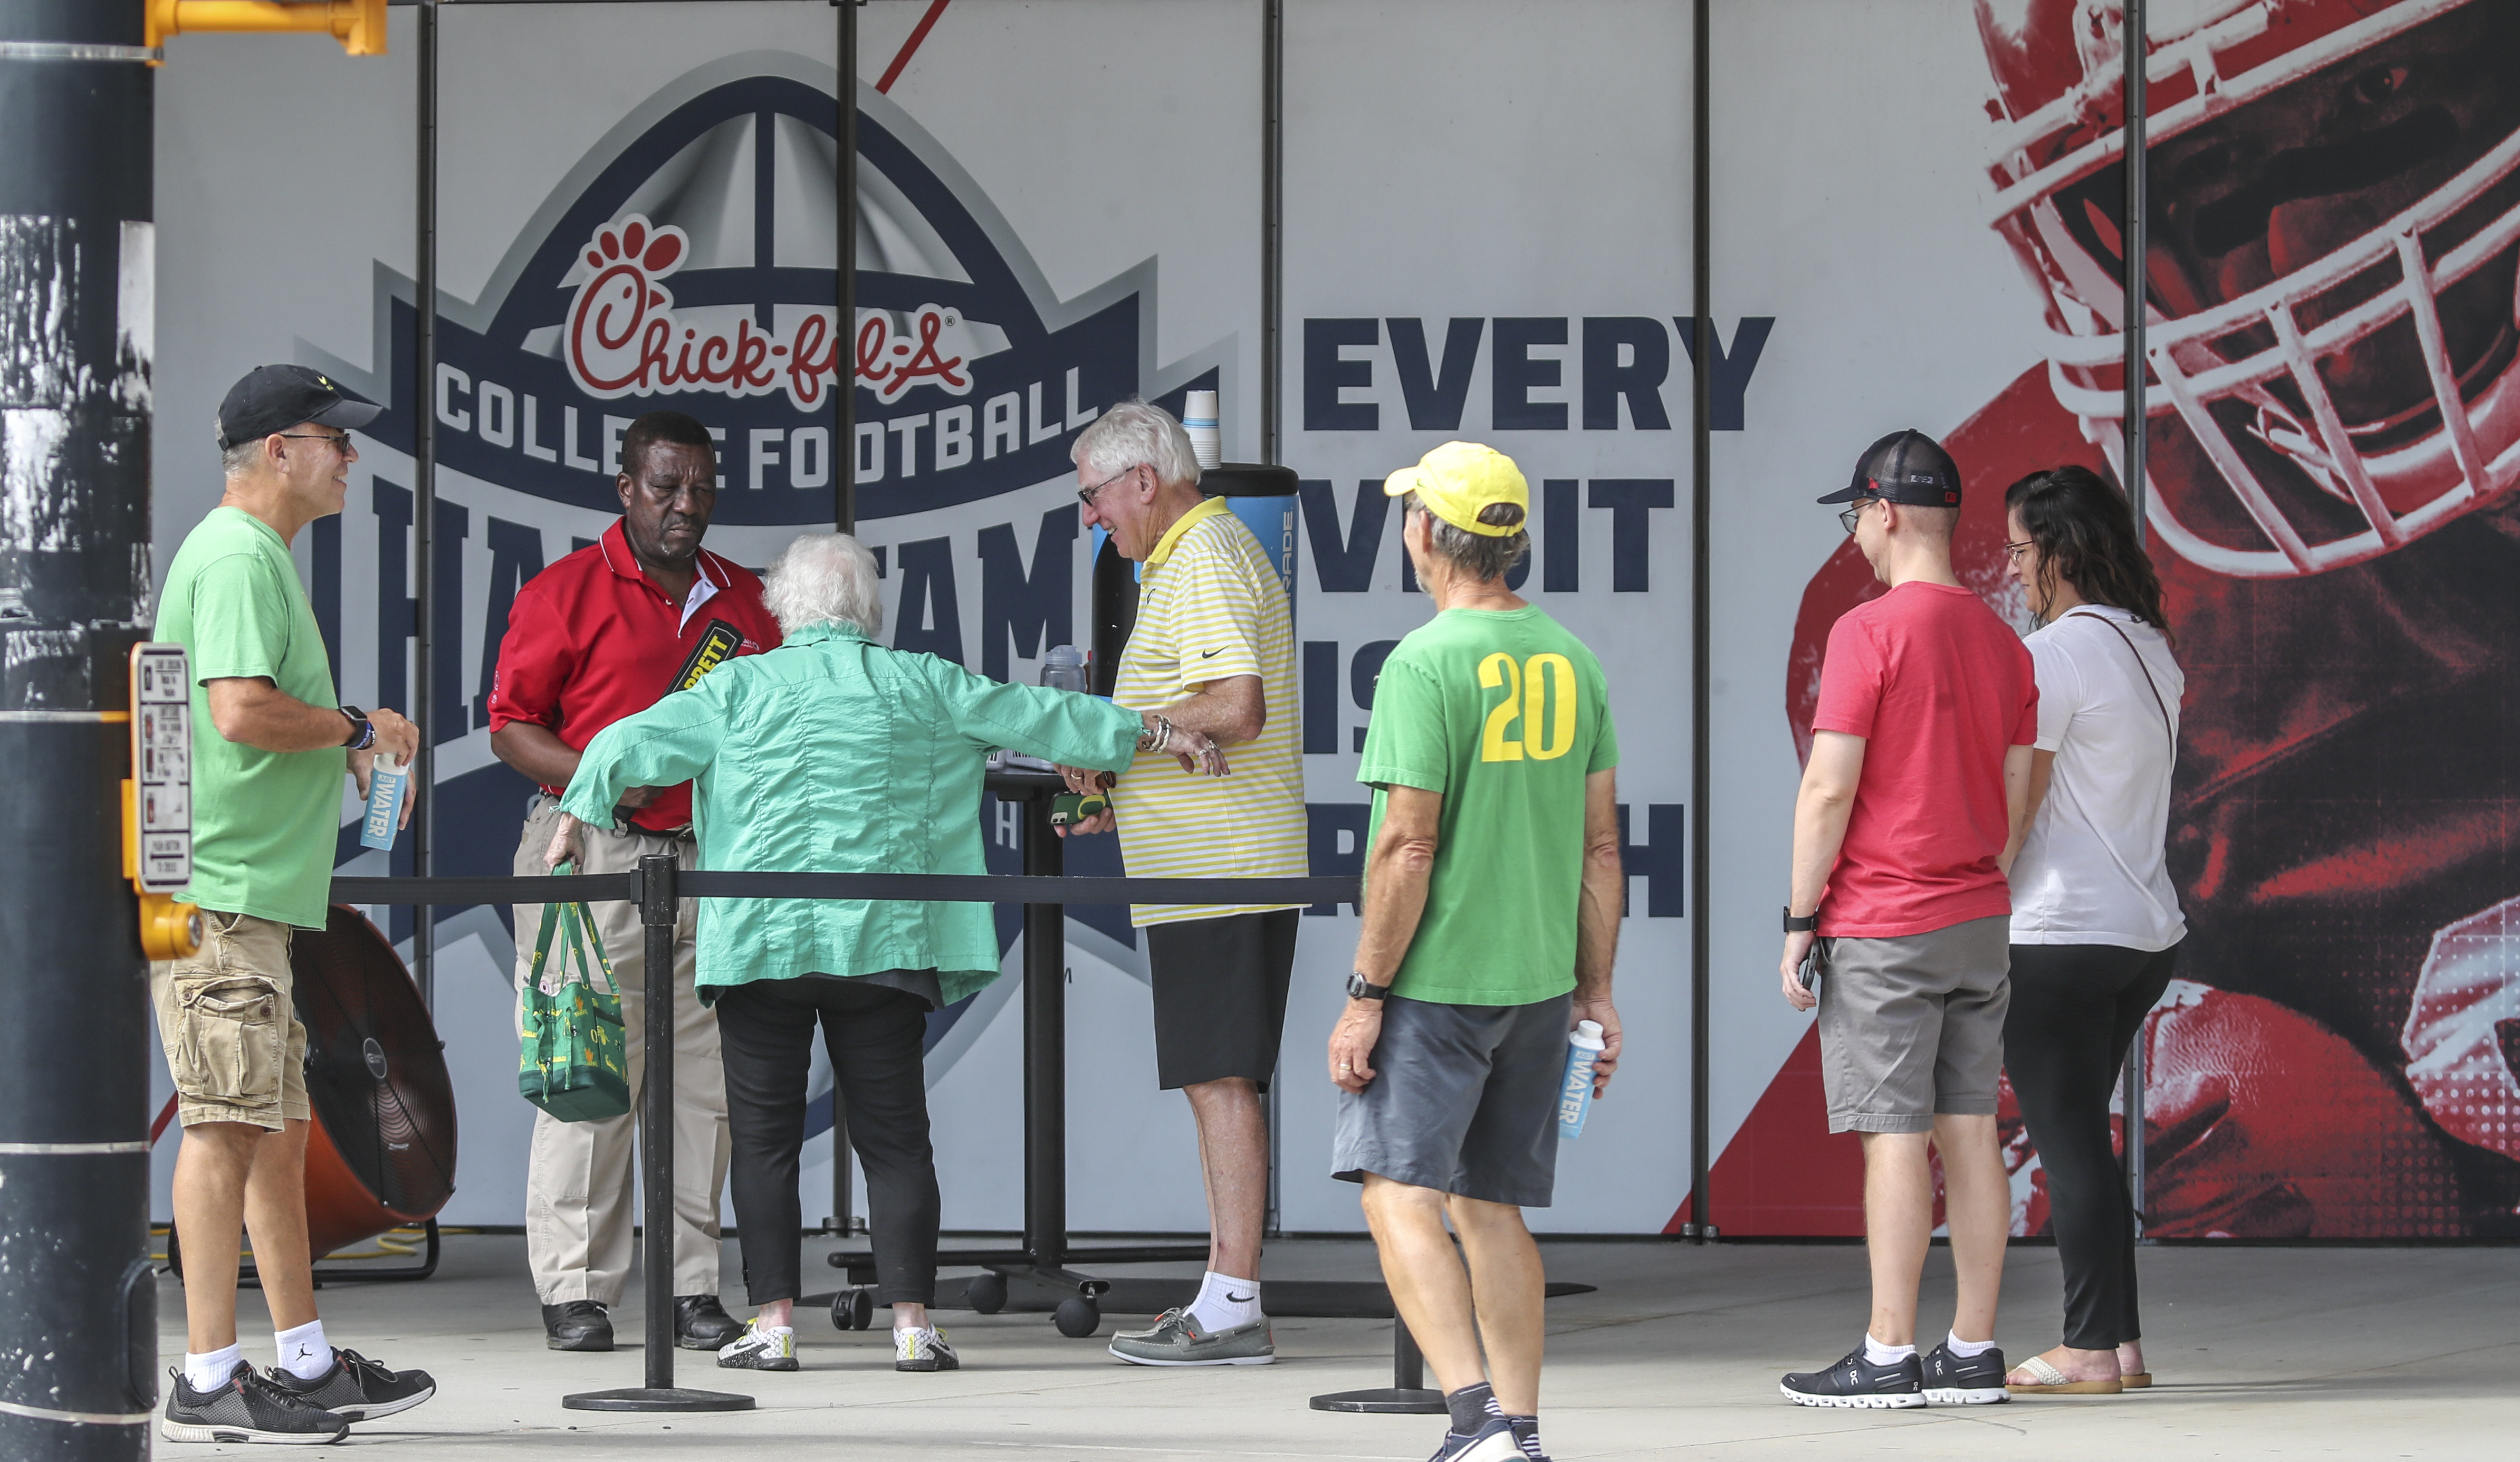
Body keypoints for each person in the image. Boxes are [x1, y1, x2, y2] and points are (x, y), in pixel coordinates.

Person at [1780, 0, 2509, 1241]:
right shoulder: (2065, 598)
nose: (2310, 245)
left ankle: (1957, 1342)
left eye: (2385, 99)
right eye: (2215, 179)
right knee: (2236, 1133)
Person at [542, 532, 1226, 1373]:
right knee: (897, 1141)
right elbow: (1047, 716)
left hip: (766, 945)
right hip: (887, 944)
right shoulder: (924, 681)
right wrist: (1160, 731)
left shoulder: (735, 687)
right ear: (870, 611)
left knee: (763, 1143)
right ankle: (913, 1328)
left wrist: (576, 814)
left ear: (781, 610)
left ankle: (775, 1326)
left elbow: (620, 746)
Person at [152, 365, 438, 1444]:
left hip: (241, 895)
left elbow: (245, 718)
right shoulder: (235, 555)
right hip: (215, 896)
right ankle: (207, 1379)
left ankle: (305, 1362)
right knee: (227, 1129)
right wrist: (355, 730)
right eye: (337, 439)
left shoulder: (248, 555)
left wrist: (344, 748)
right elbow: (237, 712)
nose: (351, 457)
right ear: (281, 450)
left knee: (271, 1132)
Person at [1325, 442, 1625, 1462]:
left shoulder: (1423, 662)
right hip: (1539, 983)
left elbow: (1409, 844)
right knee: (1490, 1208)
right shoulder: (1570, 658)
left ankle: (1470, 1419)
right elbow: (1598, 848)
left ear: (1424, 533)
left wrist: (1366, 991)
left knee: (1394, 1194)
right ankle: (1524, 1429)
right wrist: (1596, 991)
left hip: (1437, 981)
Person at [484, 409, 780, 1353]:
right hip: (590, 846)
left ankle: (692, 1287)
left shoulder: (745, 600)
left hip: (710, 856)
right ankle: (578, 1289)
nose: (684, 506)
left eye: (700, 488)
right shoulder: (567, 590)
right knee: (587, 1072)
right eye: (665, 487)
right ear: (626, 489)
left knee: (706, 1084)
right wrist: (602, 778)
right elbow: (510, 725)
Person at [1776, 429, 2037, 1409]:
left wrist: (1801, 918)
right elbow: (2018, 798)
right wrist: (1975, 875)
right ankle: (1971, 1350)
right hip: (1978, 916)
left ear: (1884, 511)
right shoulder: (2006, 642)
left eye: (1855, 518)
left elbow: (1826, 791)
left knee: (1892, 1135)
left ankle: (1887, 1354)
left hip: (1884, 922)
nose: (1856, 540)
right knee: (1969, 1131)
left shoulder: (1866, 633)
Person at [1057, 398, 1309, 1367]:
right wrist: (1129, 771)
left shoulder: (1202, 554)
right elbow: (1210, 711)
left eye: (1093, 496)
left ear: (1141, 481)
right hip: (1211, 863)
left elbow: (1234, 707)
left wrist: (1115, 736)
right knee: (1218, 1081)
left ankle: (1233, 1301)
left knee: (1220, 1083)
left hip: (1223, 868)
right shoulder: (1194, 554)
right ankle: (1223, 1292)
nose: (1092, 517)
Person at [1996, 466, 2186, 1394]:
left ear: (2060, 553)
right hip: (2139, 931)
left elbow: (2013, 812)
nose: (2013, 569)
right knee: (2084, 1139)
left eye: (2020, 550)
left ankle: (2087, 1349)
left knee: (2068, 1142)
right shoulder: (2150, 646)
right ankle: (2119, 1344)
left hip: (2059, 933)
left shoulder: (2054, 654)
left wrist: (1966, 896)